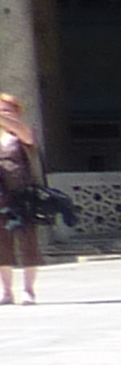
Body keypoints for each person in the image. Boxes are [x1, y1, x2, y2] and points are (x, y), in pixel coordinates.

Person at [0, 89, 52, 305]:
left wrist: (6, 118)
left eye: (8, 111)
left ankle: (29, 290)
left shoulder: (23, 133)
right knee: (2, 244)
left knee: (27, 241)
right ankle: (6, 291)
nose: (5, 115)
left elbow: (25, 135)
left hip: (23, 196)